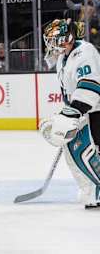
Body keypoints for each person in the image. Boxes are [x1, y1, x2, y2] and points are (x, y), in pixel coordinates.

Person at [40, 18, 100, 209]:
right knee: (71, 149)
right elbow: (70, 90)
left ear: (67, 39)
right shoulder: (63, 57)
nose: (50, 45)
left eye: (54, 40)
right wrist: (67, 113)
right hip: (84, 110)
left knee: (91, 151)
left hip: (95, 109)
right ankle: (90, 189)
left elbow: (90, 86)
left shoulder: (85, 53)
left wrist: (71, 114)